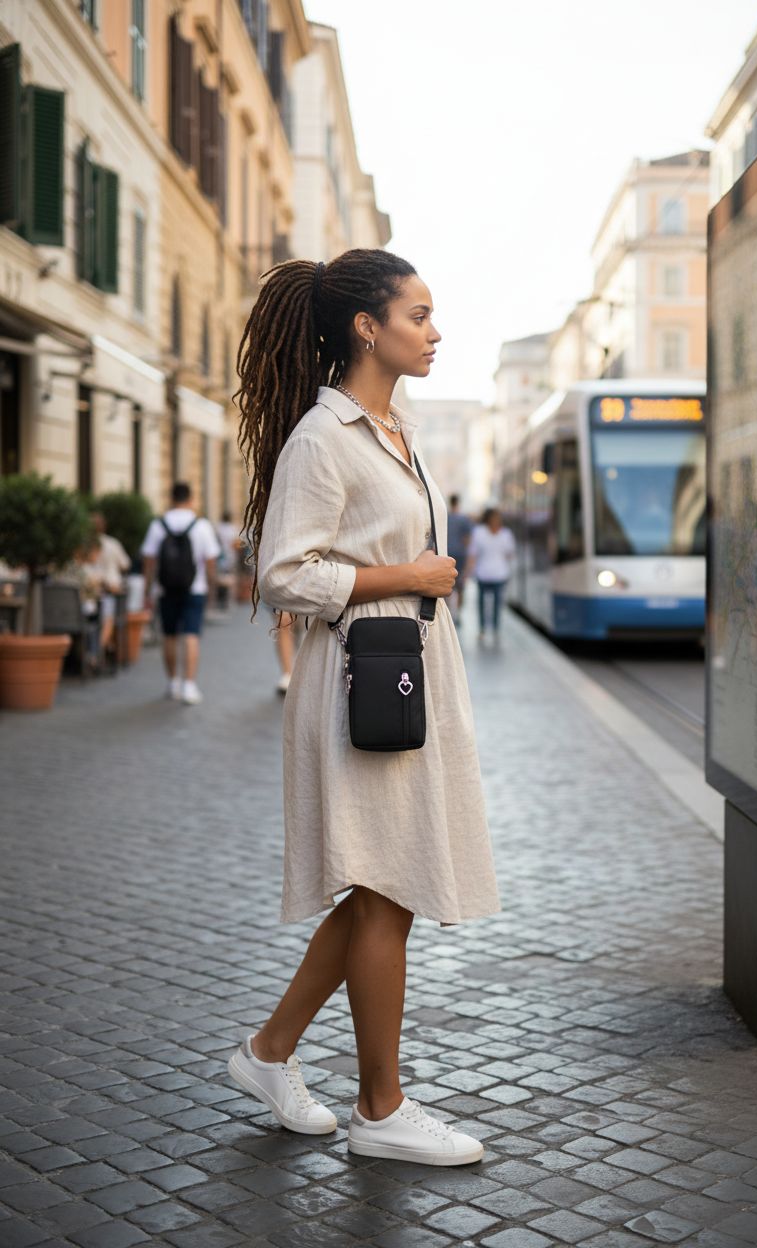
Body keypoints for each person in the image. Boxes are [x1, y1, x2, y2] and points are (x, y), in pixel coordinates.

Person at [228, 249, 501, 1165]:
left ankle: (270, 1054)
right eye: (418, 315)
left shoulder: (394, 430)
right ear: (365, 327)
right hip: (361, 679)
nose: (434, 332)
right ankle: (380, 1112)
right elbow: (282, 572)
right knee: (386, 885)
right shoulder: (324, 436)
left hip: (407, 672)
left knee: (388, 882)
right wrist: (408, 574)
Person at [140, 482, 220, 704]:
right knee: (191, 635)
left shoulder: (158, 525)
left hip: (165, 589)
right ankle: (189, 686)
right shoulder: (201, 525)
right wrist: (212, 588)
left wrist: (147, 589)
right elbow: (211, 560)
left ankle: (173, 683)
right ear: (191, 499)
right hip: (195, 588)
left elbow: (148, 559)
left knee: (170, 635)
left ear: (171, 498)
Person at [84, 511, 130, 658]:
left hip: (98, 592)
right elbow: (125, 564)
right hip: (103, 590)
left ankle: (100, 648)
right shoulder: (111, 543)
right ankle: (97, 652)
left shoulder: (84, 544)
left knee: (105, 612)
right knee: (107, 615)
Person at [467, 508, 516, 638]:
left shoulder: (506, 534)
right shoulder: (479, 532)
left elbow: (510, 554)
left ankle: (495, 628)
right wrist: (468, 571)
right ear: (488, 520)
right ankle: (482, 628)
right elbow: (473, 554)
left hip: (499, 574)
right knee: (482, 603)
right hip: (483, 574)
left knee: (497, 604)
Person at [446, 494, 473, 625]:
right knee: (460, 586)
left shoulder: (445, 517)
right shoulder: (464, 519)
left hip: (446, 555)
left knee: (446, 586)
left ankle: (448, 614)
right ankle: (458, 615)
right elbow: (467, 540)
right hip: (460, 556)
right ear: (459, 503)